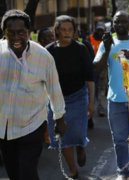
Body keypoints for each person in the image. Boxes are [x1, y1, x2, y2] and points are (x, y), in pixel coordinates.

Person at [0, 9, 67, 180]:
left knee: (28, 172)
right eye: (11, 33)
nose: (16, 38)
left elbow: (54, 89)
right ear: (4, 33)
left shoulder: (44, 57)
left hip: (32, 125)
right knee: (13, 172)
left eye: (21, 32)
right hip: (4, 127)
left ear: (29, 32)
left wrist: (59, 118)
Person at [94, 11, 129, 180]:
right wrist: (108, 48)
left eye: (124, 22)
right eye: (117, 22)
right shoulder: (107, 43)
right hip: (116, 99)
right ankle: (124, 172)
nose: (121, 25)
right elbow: (97, 69)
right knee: (119, 139)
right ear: (113, 24)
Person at [46, 15, 95, 179]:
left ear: (74, 32)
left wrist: (91, 103)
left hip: (78, 96)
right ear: (57, 31)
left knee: (78, 135)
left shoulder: (81, 49)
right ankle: (73, 168)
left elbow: (89, 76)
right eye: (63, 29)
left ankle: (81, 146)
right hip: (56, 99)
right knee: (62, 136)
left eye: (70, 30)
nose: (66, 33)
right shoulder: (49, 51)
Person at [38, 28, 56, 145]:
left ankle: (50, 136)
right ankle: (46, 137)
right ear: (41, 40)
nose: (51, 39)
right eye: (47, 37)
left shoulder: (57, 50)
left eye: (52, 36)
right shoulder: (37, 52)